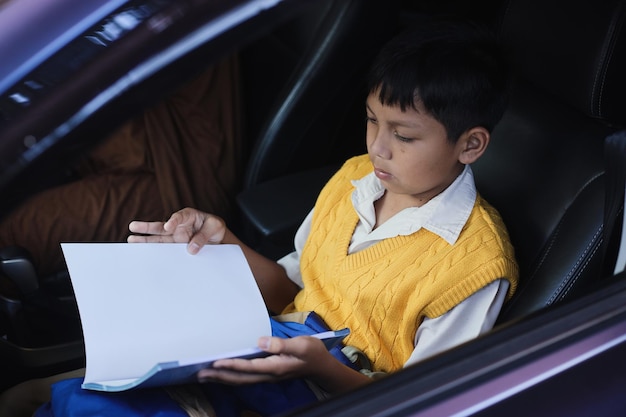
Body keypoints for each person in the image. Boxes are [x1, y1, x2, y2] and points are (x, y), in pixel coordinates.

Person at [0, 16, 518, 417]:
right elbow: (287, 289)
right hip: (265, 347)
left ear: (470, 144)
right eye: (370, 120)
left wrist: (323, 369)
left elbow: (427, 401)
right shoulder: (356, 179)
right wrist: (226, 242)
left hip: (328, 393)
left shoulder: (472, 267)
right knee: (59, 397)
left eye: (403, 136)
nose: (378, 147)